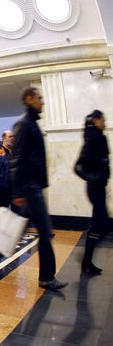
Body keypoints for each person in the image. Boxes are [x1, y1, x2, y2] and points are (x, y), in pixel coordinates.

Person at [0, 86, 67, 291]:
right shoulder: (24, 124)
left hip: (33, 187)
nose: (43, 102)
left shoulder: (31, 124)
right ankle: (47, 278)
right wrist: (18, 193)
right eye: (39, 98)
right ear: (29, 99)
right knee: (45, 232)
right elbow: (17, 160)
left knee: (18, 227)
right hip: (29, 188)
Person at [75, 110, 110, 275]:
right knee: (101, 224)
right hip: (95, 188)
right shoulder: (92, 138)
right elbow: (78, 166)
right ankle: (86, 260)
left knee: (100, 224)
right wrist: (94, 177)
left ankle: (86, 261)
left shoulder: (98, 137)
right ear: (96, 121)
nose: (105, 123)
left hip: (99, 188)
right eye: (103, 120)